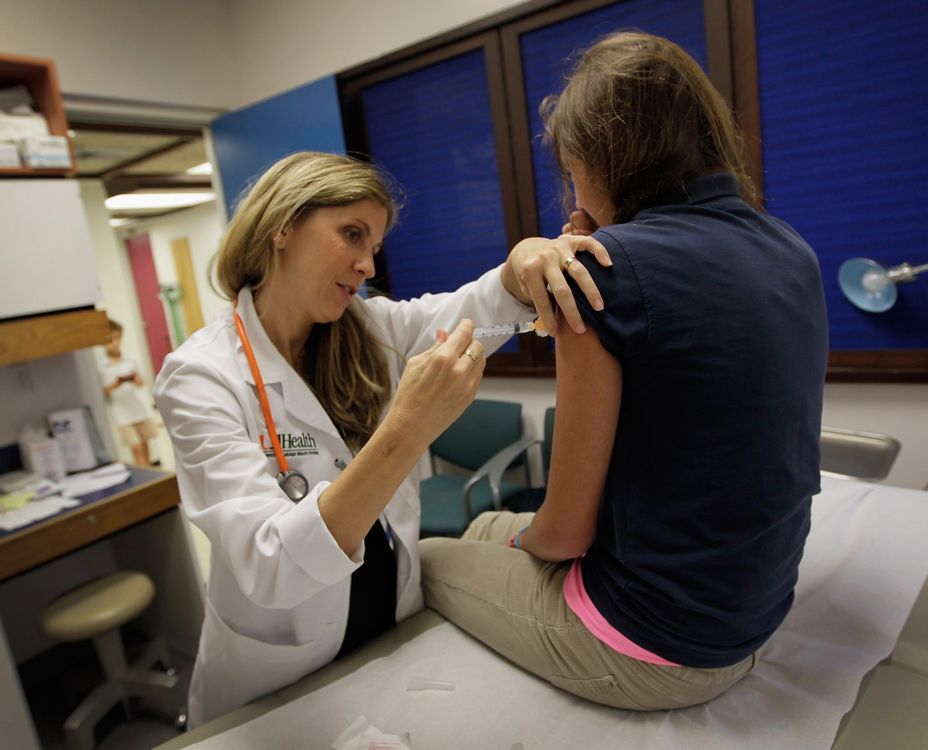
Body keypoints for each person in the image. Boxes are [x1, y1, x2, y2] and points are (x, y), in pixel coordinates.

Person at [420, 31, 829, 711]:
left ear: (597, 160)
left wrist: (527, 538)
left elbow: (565, 535)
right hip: (755, 609)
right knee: (487, 531)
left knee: (431, 556)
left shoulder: (603, 272)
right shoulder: (790, 249)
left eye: (571, 173)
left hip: (659, 649)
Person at [153, 151, 610, 727]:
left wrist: (523, 260)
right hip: (277, 682)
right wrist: (408, 428)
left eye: (375, 246)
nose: (368, 264)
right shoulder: (200, 376)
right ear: (283, 226)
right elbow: (272, 563)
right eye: (352, 235)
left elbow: (479, 309)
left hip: (389, 622)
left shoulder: (368, 329)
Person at [99, 319, 158, 467]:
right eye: (110, 340)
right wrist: (115, 384)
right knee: (135, 447)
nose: (115, 342)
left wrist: (134, 380)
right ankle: (145, 473)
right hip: (121, 412)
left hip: (138, 406)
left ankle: (149, 470)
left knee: (145, 443)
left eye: (117, 338)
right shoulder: (101, 365)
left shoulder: (131, 359)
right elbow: (103, 391)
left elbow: (142, 382)